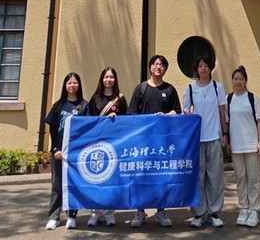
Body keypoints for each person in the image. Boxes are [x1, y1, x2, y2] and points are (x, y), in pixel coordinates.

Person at [126, 54, 182, 228]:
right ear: (150, 67)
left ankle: (161, 211)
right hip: (142, 142)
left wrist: (166, 115)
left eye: (162, 65)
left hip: (162, 142)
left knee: (161, 176)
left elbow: (177, 111)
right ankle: (140, 211)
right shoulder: (141, 89)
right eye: (156, 64)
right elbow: (131, 114)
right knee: (140, 176)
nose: (158, 67)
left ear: (165, 69)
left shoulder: (169, 89)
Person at [183, 54, 228, 228]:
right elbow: (186, 109)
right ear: (196, 68)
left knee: (215, 176)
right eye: (200, 65)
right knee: (198, 177)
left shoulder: (218, 87)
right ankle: (199, 213)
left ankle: (214, 212)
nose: (203, 68)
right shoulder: (190, 88)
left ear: (210, 68)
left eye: (206, 65)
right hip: (197, 139)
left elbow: (222, 112)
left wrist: (225, 134)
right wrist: (191, 116)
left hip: (214, 136)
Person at [45, 72, 90, 231]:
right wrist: (55, 149)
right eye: (69, 82)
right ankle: (54, 217)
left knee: (73, 184)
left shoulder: (84, 106)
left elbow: (87, 130)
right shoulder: (58, 105)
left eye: (75, 82)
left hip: (75, 153)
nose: (72, 85)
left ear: (79, 85)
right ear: (65, 85)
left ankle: (72, 216)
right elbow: (52, 129)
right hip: (59, 153)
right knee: (57, 185)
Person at [86, 66, 127, 227]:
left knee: (111, 179)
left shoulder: (120, 99)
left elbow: (127, 121)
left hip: (114, 144)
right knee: (96, 179)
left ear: (115, 80)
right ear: (102, 79)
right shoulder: (95, 98)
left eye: (111, 77)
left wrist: (117, 117)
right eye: (106, 77)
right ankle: (95, 213)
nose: (108, 80)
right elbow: (89, 120)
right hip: (97, 144)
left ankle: (110, 213)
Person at [226, 65, 260, 228]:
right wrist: (227, 141)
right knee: (240, 177)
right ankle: (243, 208)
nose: (238, 82)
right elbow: (227, 122)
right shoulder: (229, 99)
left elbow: (259, 121)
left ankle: (254, 210)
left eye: (241, 79)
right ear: (232, 81)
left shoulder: (252, 98)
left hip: (251, 144)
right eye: (235, 79)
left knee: (253, 178)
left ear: (246, 81)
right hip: (236, 145)